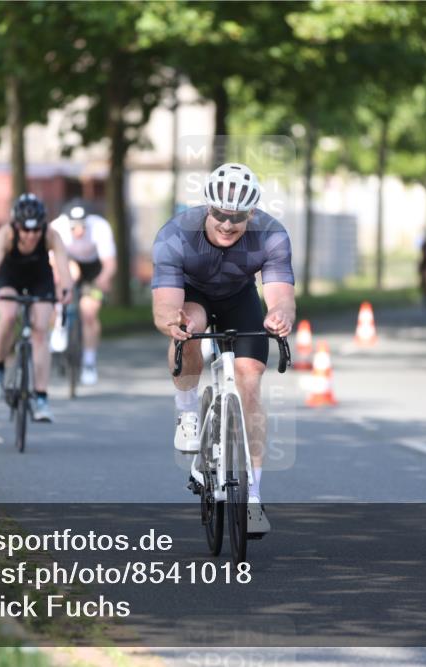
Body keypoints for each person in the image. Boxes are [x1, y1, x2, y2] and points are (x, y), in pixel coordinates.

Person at [151, 162, 295, 533]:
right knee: (189, 327)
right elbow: (165, 306)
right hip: (192, 296)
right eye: (219, 215)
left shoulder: (271, 235)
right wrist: (173, 323)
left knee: (250, 380)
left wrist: (280, 315)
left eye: (238, 217)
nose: (228, 224)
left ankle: (253, 497)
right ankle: (187, 410)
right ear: (207, 208)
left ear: (252, 213)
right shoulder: (175, 235)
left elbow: (280, 296)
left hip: (239, 297)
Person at [0, 193, 73, 422]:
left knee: (40, 332)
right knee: (8, 316)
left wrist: (66, 289)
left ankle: (41, 398)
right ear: (16, 225)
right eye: (25, 230)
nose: (31, 235)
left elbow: (64, 269)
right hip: (9, 277)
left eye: (36, 230)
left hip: (39, 278)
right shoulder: (6, 235)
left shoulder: (51, 235)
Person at [49, 200, 117, 385]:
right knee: (60, 288)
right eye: (74, 227)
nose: (78, 231)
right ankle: (59, 325)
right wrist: (62, 278)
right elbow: (52, 262)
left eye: (82, 227)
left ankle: (89, 362)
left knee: (89, 312)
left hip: (92, 268)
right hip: (67, 262)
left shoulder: (100, 227)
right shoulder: (57, 227)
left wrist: (102, 280)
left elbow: (109, 264)